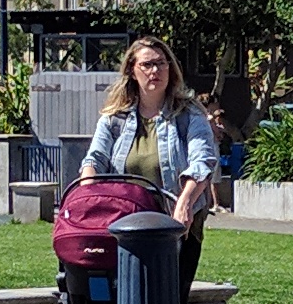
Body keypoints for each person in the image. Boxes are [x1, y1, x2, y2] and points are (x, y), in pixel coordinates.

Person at [78, 37, 223, 286]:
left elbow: (202, 162)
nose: (155, 71)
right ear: (132, 71)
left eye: (161, 63)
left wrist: (184, 203)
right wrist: (87, 199)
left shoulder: (189, 114)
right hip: (125, 226)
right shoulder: (114, 119)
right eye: (147, 65)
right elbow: (95, 159)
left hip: (176, 226)